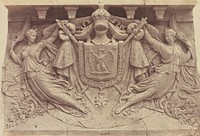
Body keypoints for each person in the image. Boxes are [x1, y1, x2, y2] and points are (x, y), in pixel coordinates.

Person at [9, 27, 88, 116]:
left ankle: (78, 106)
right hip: (30, 78)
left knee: (53, 92)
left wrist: (58, 27)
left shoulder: (38, 46)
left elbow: (52, 38)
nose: (34, 37)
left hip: (38, 74)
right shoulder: (23, 49)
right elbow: (17, 60)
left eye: (35, 35)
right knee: (43, 97)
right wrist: (11, 50)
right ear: (27, 37)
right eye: (32, 35)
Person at [114, 27, 192, 114]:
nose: (167, 38)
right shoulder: (165, 48)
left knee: (150, 93)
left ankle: (131, 97)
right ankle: (125, 105)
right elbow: (151, 41)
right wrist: (144, 28)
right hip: (162, 75)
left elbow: (185, 58)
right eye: (166, 36)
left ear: (174, 37)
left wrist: (189, 46)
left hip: (170, 78)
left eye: (169, 36)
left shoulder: (177, 48)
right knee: (149, 92)